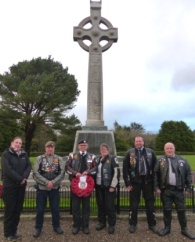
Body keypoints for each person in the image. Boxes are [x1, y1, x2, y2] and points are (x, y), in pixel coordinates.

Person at [154, 142, 195, 240]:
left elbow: (188, 173)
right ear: (164, 150)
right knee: (167, 210)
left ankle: (184, 229)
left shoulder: (182, 160)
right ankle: (167, 228)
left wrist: (188, 187)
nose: (169, 150)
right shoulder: (160, 160)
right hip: (166, 191)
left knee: (181, 210)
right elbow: (155, 174)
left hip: (178, 191)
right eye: (167, 148)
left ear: (174, 149)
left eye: (171, 148)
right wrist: (156, 187)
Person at [123, 136, 158, 234]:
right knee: (134, 204)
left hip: (148, 182)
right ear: (134, 142)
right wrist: (127, 183)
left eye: (140, 141)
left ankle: (152, 224)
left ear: (143, 142)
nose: (138, 143)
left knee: (150, 204)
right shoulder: (130, 153)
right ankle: (133, 224)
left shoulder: (150, 152)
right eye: (136, 141)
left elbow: (156, 169)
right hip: (135, 183)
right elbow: (125, 170)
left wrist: (155, 184)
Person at [32, 141, 65, 238]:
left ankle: (56, 226)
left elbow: (62, 173)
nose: (50, 149)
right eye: (48, 147)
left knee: (55, 209)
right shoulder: (39, 159)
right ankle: (38, 227)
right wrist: (46, 182)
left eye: (52, 147)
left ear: (54, 148)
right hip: (42, 188)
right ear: (45, 148)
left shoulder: (59, 159)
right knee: (40, 209)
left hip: (54, 188)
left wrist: (53, 182)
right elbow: (36, 173)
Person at [1, 137, 31, 241]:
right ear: (12, 143)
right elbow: (8, 170)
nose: (18, 144)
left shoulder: (24, 154)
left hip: (21, 187)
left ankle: (14, 232)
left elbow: (28, 166)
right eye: (16, 142)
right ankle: (8, 233)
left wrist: (24, 178)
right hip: (10, 187)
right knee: (10, 210)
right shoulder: (6, 154)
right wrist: (20, 179)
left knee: (17, 210)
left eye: (20, 143)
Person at [65, 139, 97, 235]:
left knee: (86, 207)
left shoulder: (92, 156)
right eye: (81, 145)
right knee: (75, 207)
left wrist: (88, 172)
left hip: (87, 185)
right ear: (78, 146)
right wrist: (75, 173)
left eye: (85, 145)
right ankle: (76, 226)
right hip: (75, 184)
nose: (83, 146)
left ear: (87, 146)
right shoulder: (72, 155)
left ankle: (85, 226)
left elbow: (95, 167)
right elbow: (67, 167)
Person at [95, 143, 120, 234]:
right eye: (102, 149)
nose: (103, 151)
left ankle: (111, 225)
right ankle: (102, 223)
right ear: (100, 151)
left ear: (108, 150)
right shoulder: (97, 160)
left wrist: (113, 186)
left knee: (110, 207)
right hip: (99, 187)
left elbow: (117, 173)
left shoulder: (112, 159)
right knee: (100, 206)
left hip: (109, 188)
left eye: (105, 149)